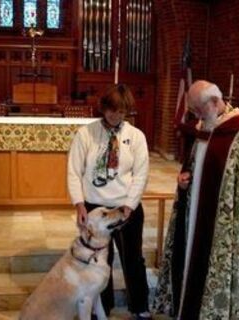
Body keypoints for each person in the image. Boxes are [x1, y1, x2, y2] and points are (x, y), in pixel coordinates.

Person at [153, 80, 239, 319]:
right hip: (194, 213)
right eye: (193, 110)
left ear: (215, 102)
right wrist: (185, 178)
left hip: (222, 223)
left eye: (198, 109)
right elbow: (196, 164)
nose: (196, 116)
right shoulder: (207, 125)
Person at [68, 83, 152, 320]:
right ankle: (101, 308)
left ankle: (140, 306)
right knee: (98, 261)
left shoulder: (136, 136)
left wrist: (130, 205)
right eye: (112, 110)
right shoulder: (86, 134)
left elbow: (141, 173)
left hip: (126, 208)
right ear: (104, 107)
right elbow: (74, 171)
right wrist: (79, 203)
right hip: (95, 208)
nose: (116, 116)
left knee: (133, 258)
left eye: (122, 111)